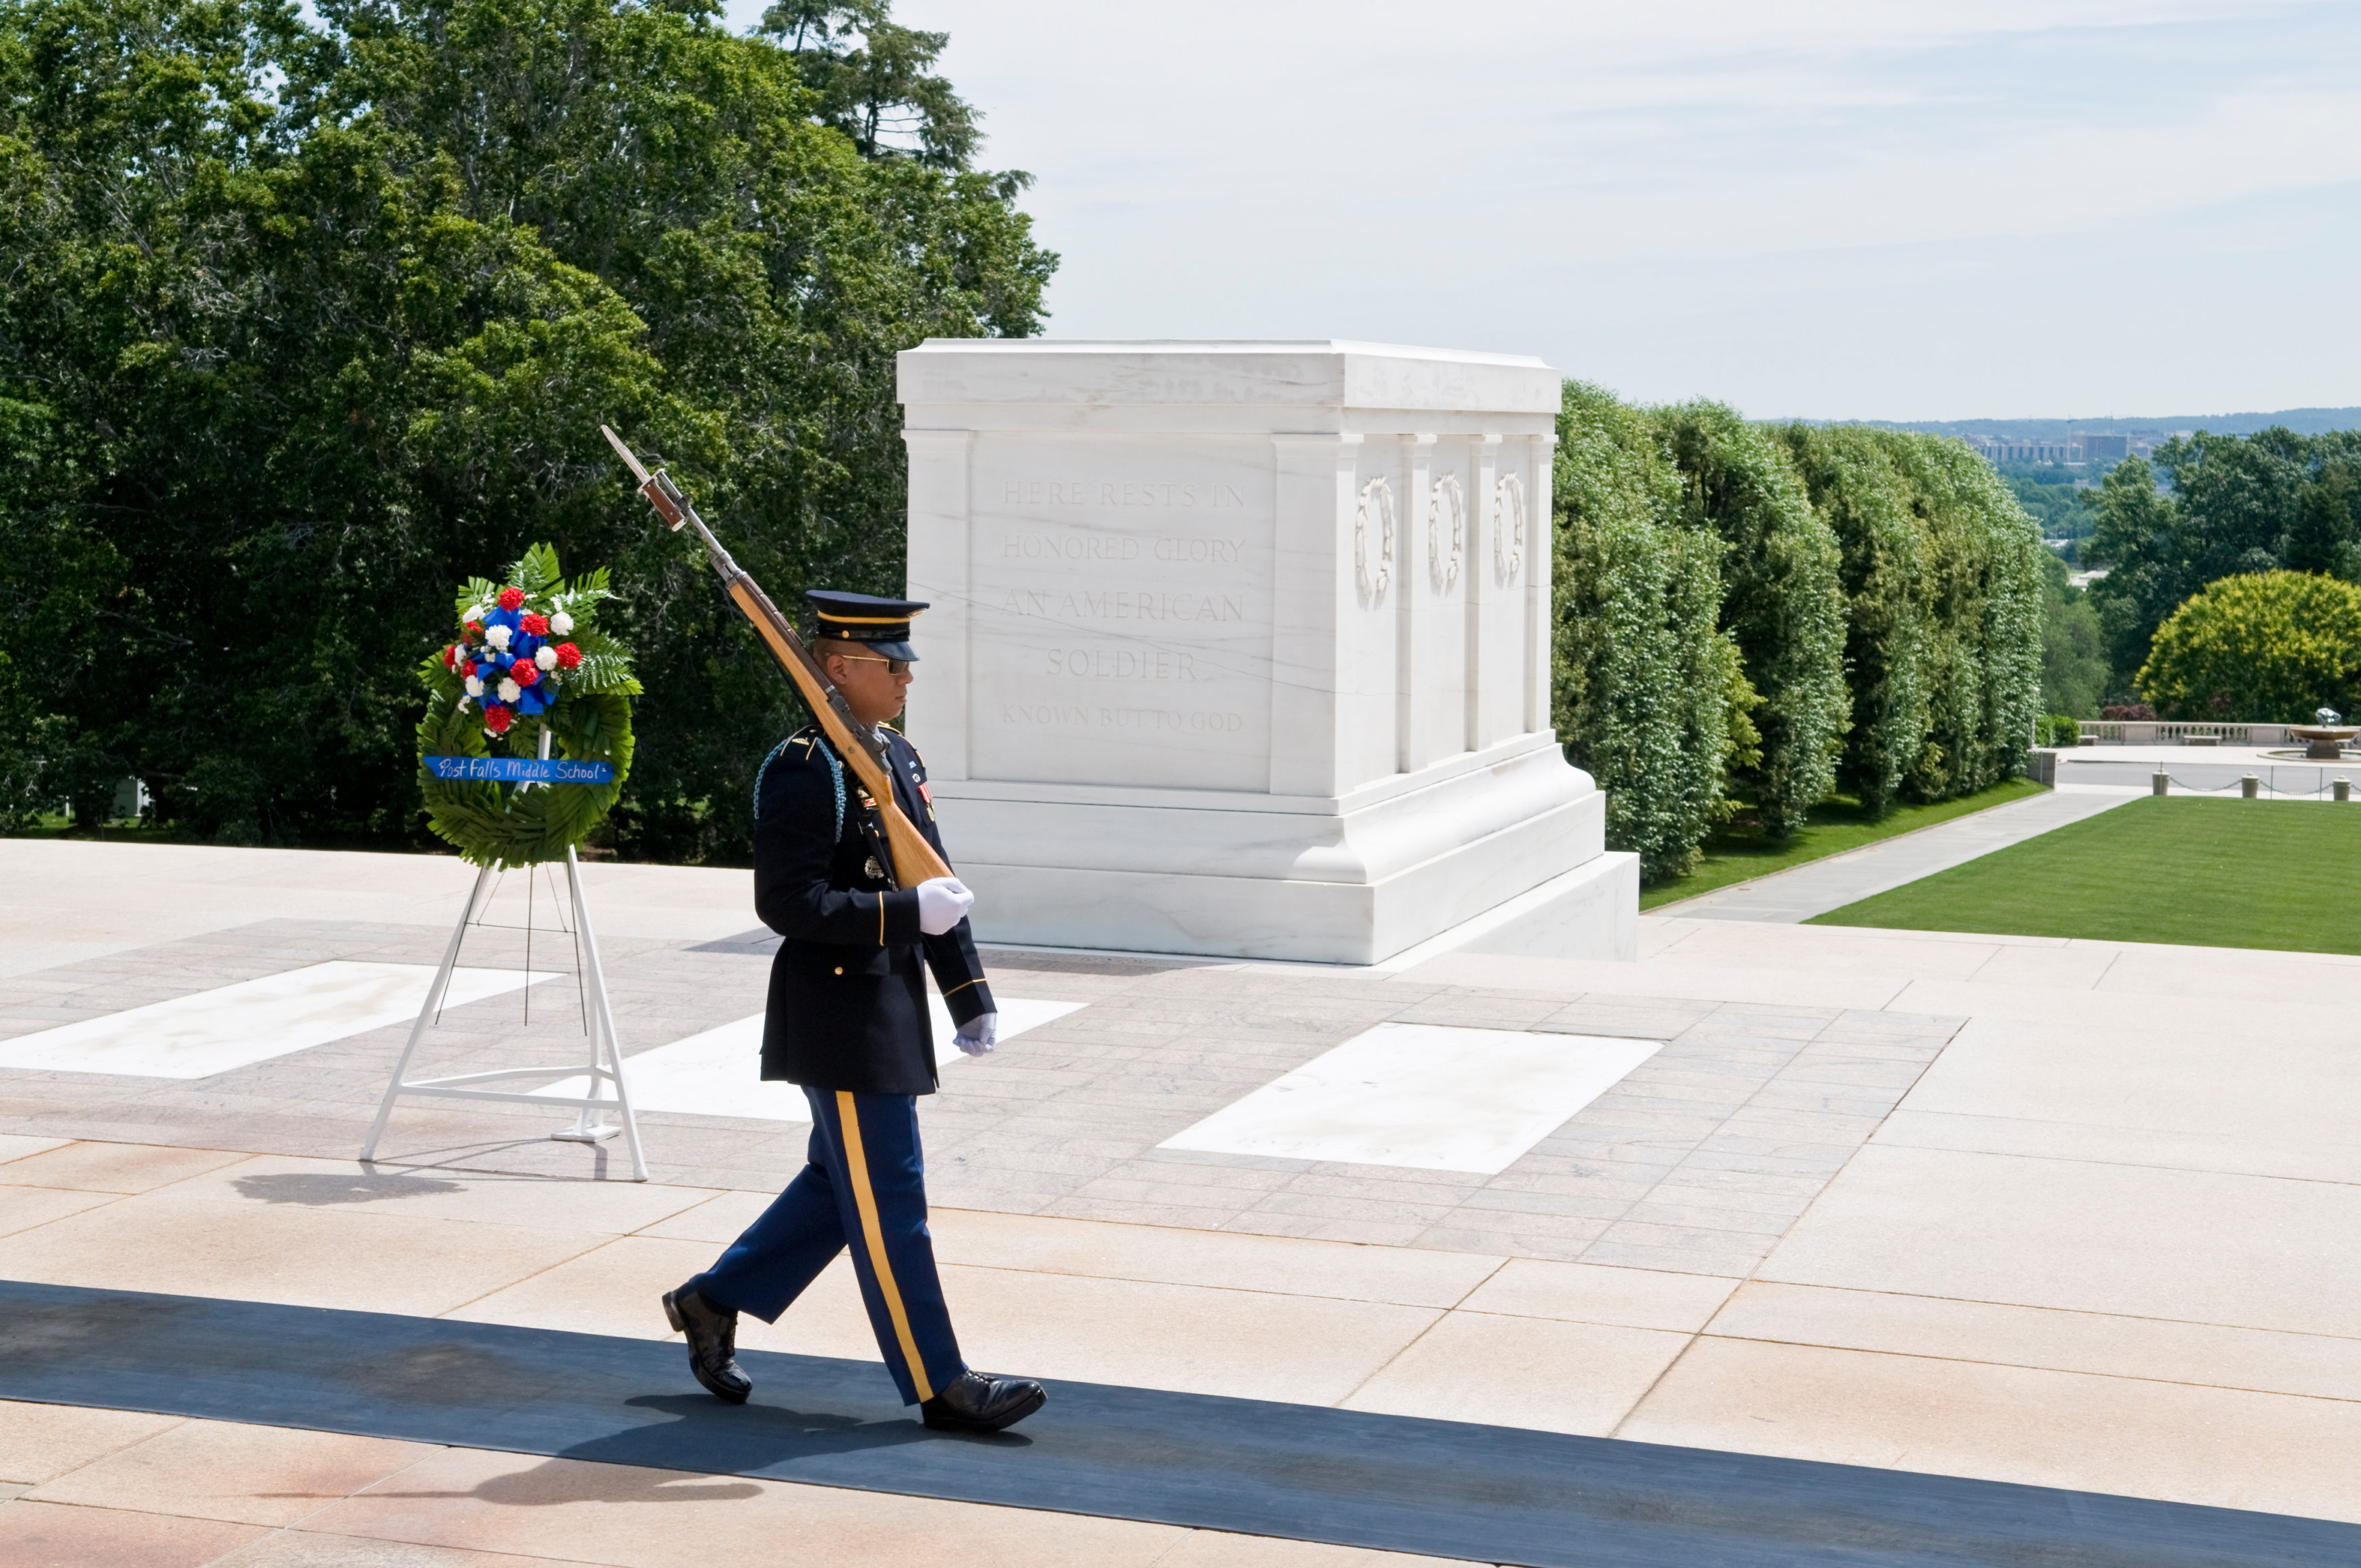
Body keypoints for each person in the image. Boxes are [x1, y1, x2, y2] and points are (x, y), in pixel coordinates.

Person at [661, 589, 1046, 1434]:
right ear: (837, 669)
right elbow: (788, 903)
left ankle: (711, 1299)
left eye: (905, 661)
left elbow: (928, 873)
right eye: (890, 663)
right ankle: (941, 1383)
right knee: (890, 1196)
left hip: (887, 1007)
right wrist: (907, 917)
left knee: (843, 1187)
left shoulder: (893, 757)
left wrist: (967, 993)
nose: (907, 676)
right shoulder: (805, 767)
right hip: (835, 1013)